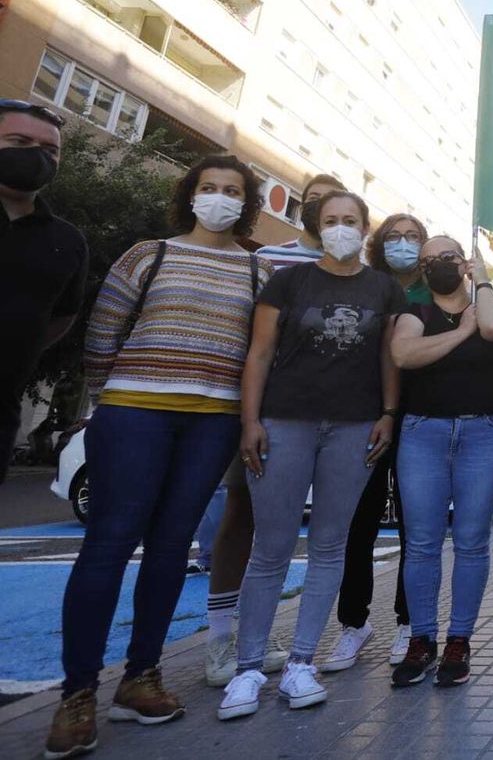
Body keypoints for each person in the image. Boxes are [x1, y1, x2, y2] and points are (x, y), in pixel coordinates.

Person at [45, 155, 271, 759]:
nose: (219, 198)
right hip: (133, 412)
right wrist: (107, 400)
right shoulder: (149, 255)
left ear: (246, 203)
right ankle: (77, 695)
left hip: (214, 421)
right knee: (110, 542)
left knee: (172, 548)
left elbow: (261, 350)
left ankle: (141, 677)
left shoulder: (260, 270)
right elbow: (103, 331)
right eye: (209, 187)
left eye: (232, 190)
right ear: (190, 195)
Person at [219, 191, 403, 721]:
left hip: (354, 426)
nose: (341, 228)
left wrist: (388, 413)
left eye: (351, 220)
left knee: (330, 545)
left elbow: (389, 357)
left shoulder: (383, 287)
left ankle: (302, 662)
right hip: (285, 421)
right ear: (317, 227)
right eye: (331, 220)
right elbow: (260, 353)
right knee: (270, 548)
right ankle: (248, 669)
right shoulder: (289, 280)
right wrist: (250, 421)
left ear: (365, 229)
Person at [203, 173, 345, 687]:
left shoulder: (360, 273)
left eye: (334, 204)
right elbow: (251, 339)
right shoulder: (267, 260)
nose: (324, 212)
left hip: (331, 422)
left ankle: (260, 637)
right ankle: (221, 639)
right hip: (265, 413)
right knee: (241, 514)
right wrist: (250, 415)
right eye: (314, 202)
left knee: (306, 532)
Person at [390, 234, 493, 688]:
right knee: (422, 543)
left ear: (463, 262)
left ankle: (459, 641)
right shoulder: (414, 312)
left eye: (447, 256)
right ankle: (421, 639)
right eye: (428, 261)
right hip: (424, 433)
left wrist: (483, 280)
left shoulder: (490, 305)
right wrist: (461, 331)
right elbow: (404, 354)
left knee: (472, 541)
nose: (437, 265)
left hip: (484, 432)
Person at [322, 212, 429, 674]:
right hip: (363, 416)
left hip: (419, 417)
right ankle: (353, 623)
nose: (403, 243)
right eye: (394, 236)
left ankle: (409, 622)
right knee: (359, 520)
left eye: (412, 237)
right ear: (378, 242)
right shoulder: (365, 286)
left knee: (414, 524)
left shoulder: (434, 290)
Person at [0, 99, 86, 485]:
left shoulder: (67, 241)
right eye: (19, 142)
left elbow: (62, 316)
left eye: (50, 150)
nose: (37, 156)